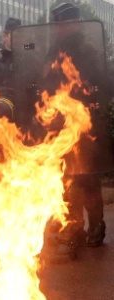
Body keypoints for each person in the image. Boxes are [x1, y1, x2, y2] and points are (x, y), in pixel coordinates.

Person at [40, 2, 112, 261]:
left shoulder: (88, 51)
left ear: (73, 23)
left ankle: (94, 230)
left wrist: (85, 105)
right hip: (60, 127)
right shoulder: (53, 52)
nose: (60, 28)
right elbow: (46, 82)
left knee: (87, 180)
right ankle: (75, 231)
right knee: (68, 179)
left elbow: (101, 84)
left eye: (63, 23)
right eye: (58, 24)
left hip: (85, 127)